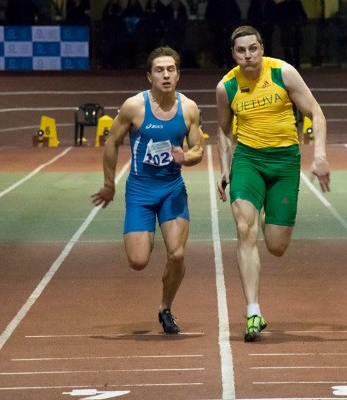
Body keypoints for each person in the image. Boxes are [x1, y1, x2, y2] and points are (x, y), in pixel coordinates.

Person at [215, 25, 330, 342]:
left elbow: (316, 113)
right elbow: (223, 132)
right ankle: (253, 312)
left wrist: (319, 156)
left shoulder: (283, 73)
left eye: (253, 49)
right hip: (248, 161)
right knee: (243, 228)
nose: (248, 56)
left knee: (276, 246)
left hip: (284, 162)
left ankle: (267, 212)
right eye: (241, 51)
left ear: (262, 48)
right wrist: (225, 169)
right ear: (233, 54)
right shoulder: (227, 87)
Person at [92, 46, 205, 333]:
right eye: (159, 70)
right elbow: (111, 142)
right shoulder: (134, 107)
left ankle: (165, 307)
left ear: (178, 75)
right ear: (149, 76)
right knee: (138, 261)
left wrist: (186, 158)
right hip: (140, 192)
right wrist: (108, 184)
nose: (165, 75)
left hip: (172, 190)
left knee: (177, 255)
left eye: (171, 70)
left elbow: (198, 150)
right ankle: (148, 234)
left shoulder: (189, 108)